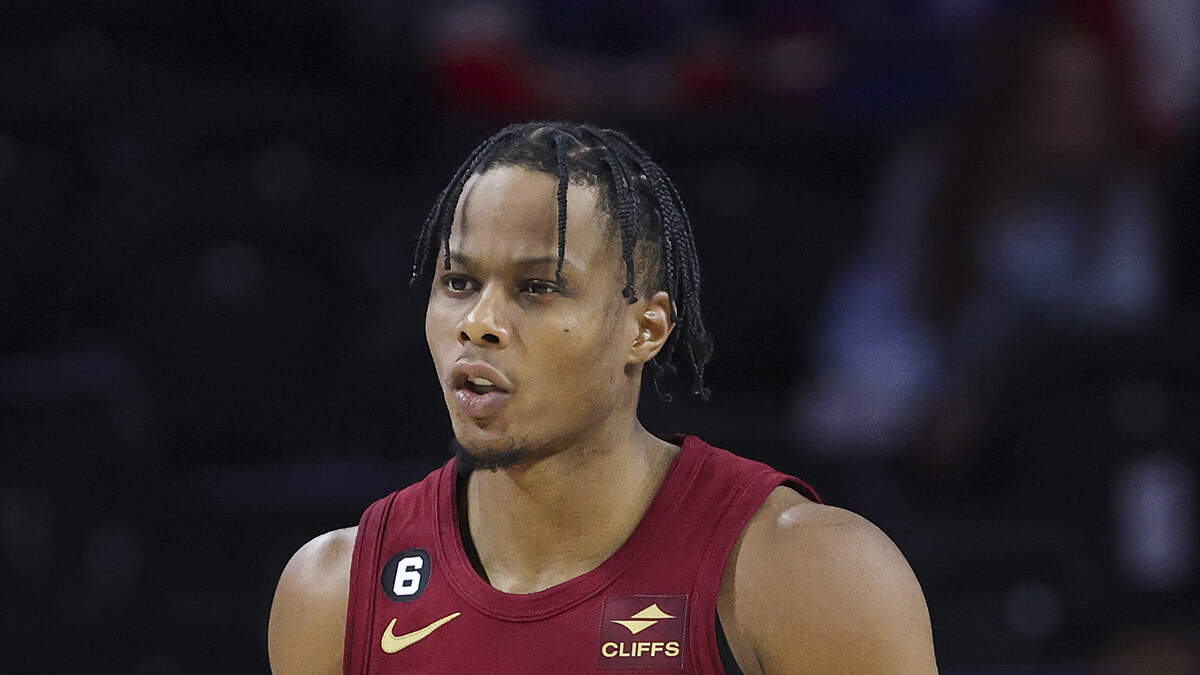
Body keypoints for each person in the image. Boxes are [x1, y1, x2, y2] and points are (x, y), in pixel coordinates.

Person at [268, 122, 937, 674]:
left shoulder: (808, 572)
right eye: (459, 282)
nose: (479, 322)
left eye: (538, 287)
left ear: (646, 329)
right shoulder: (334, 591)